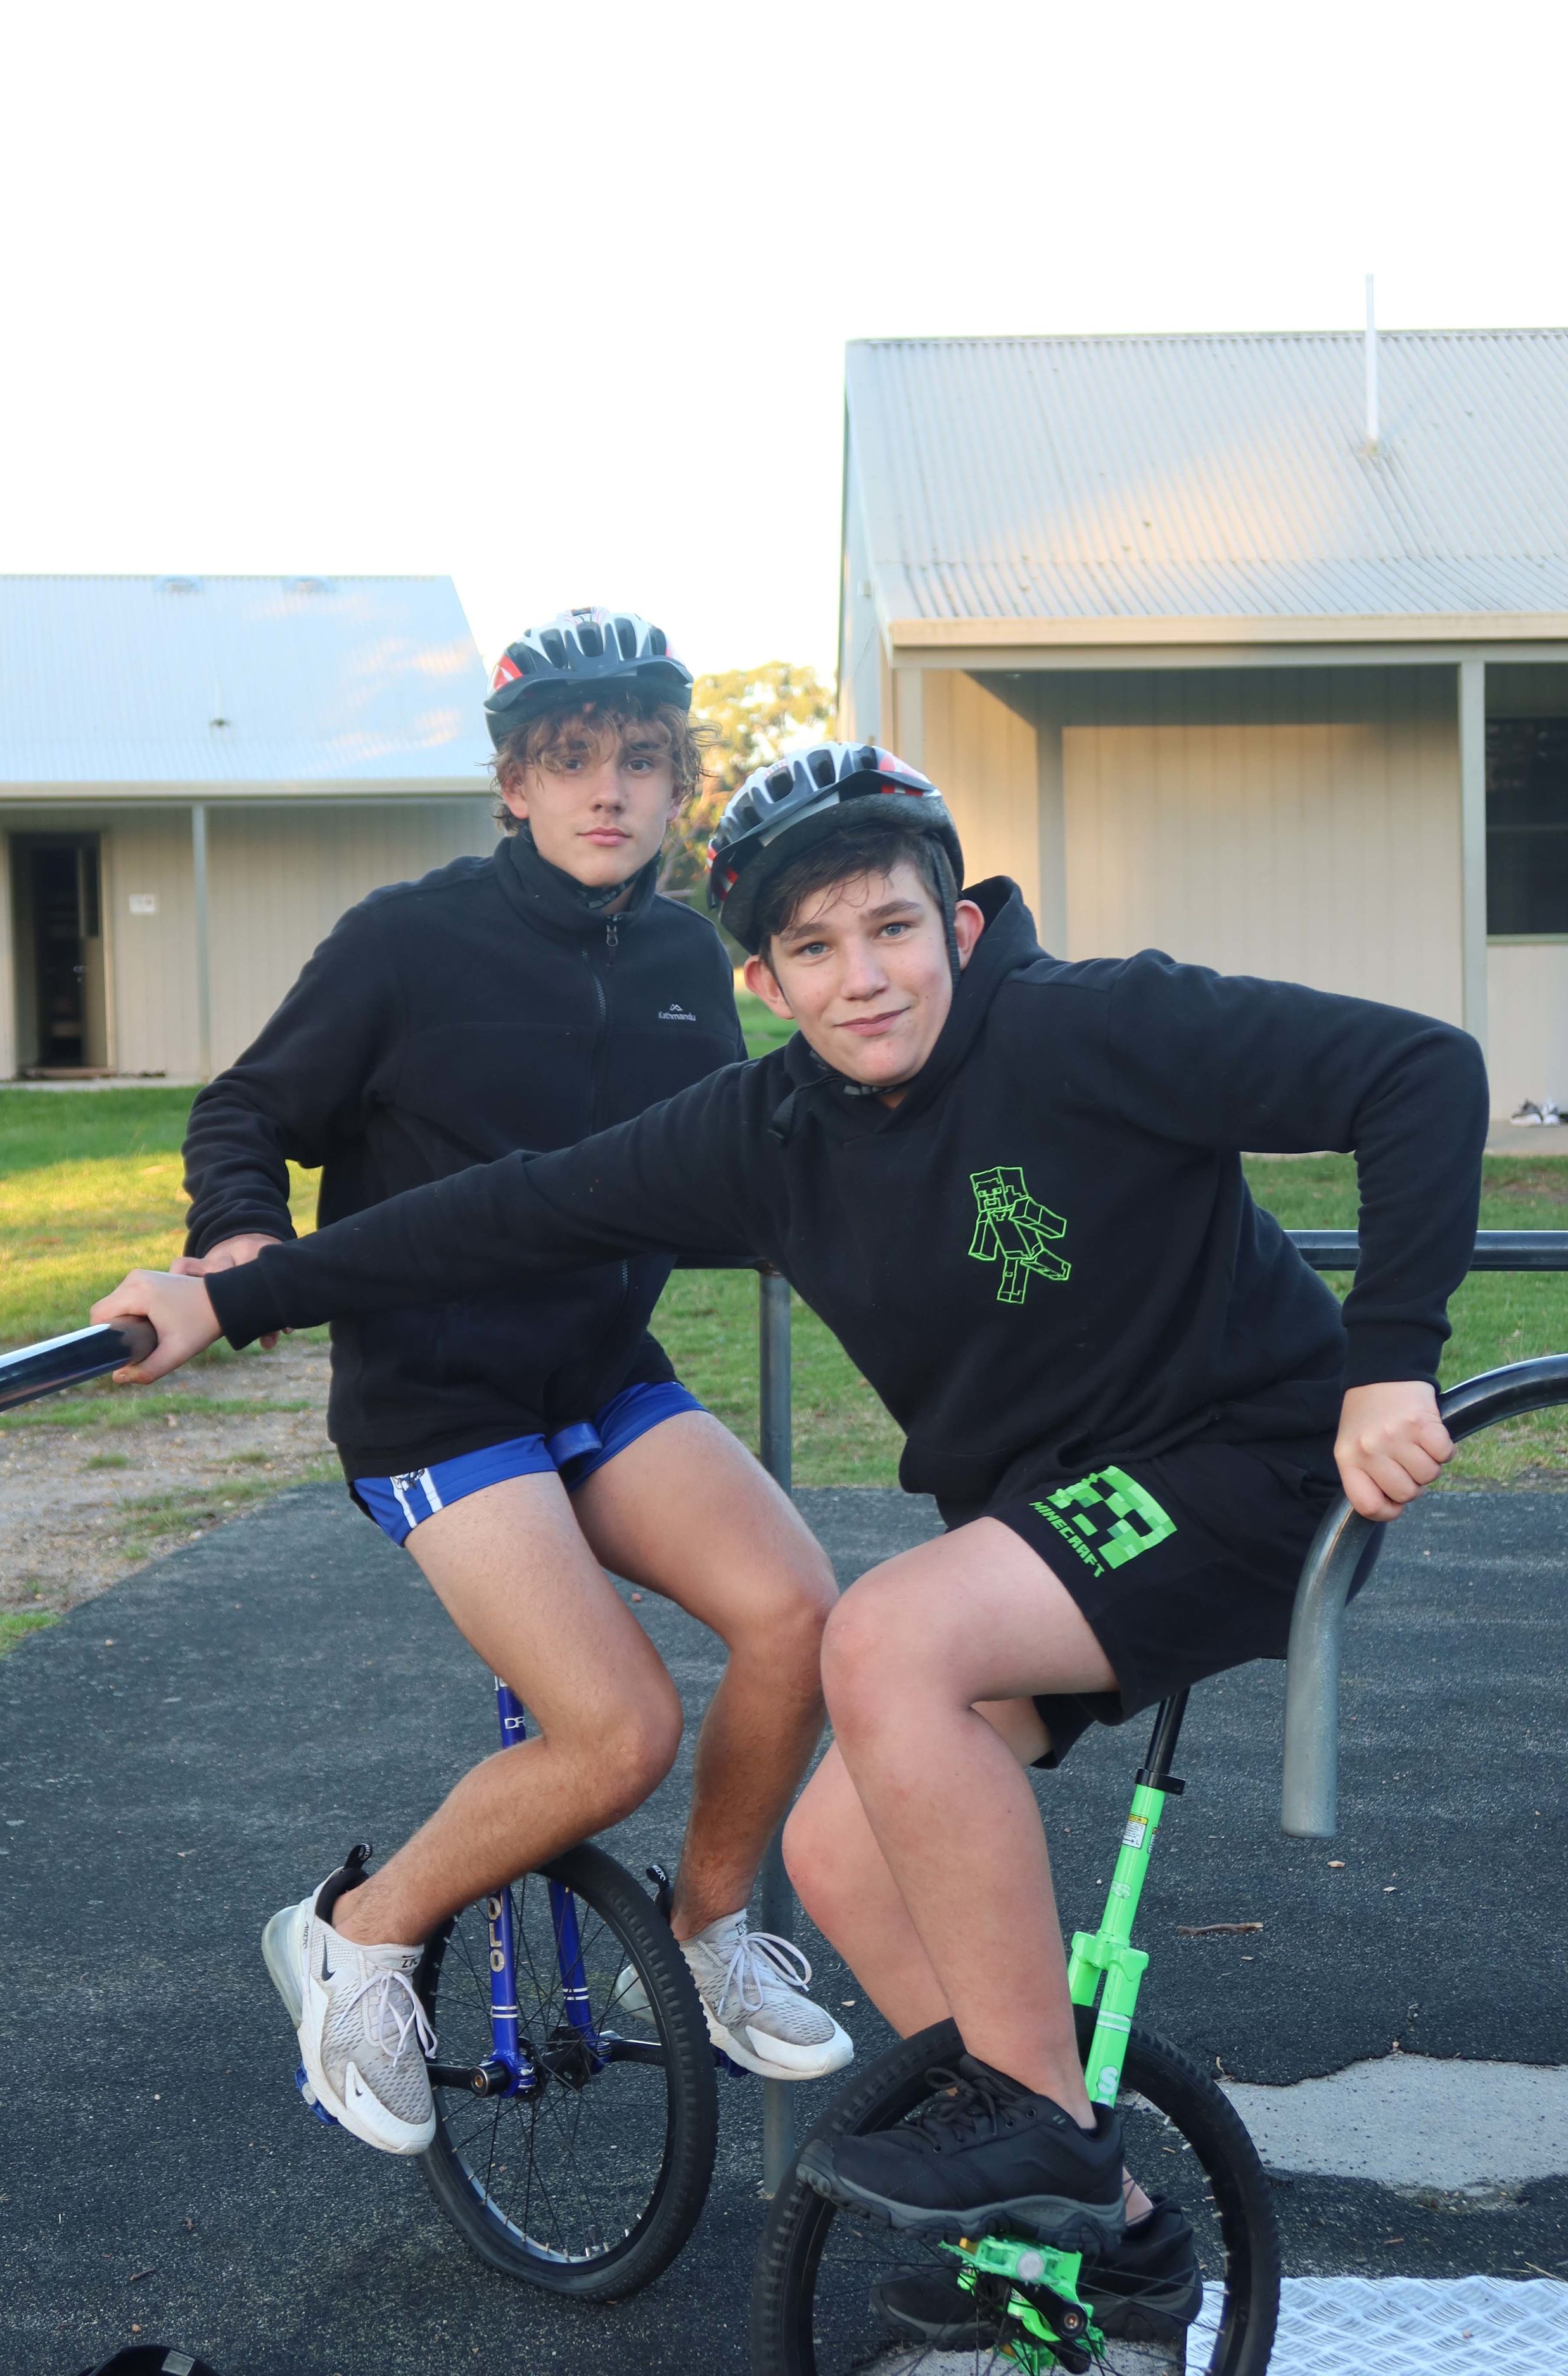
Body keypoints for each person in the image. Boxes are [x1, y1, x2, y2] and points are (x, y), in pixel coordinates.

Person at [99, 739, 1484, 2340]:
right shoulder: (766, 1133)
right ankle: (1097, 2235)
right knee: (834, 1852)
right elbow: (503, 1211)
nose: (862, 978)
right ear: (763, 981)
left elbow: (1419, 1071)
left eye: (890, 928)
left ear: (957, 926)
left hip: (1240, 1474)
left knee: (880, 1636)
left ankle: (1037, 2125)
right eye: (814, 949)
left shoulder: (1093, 1025)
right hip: (1060, 1530)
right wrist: (228, 1295)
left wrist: (1389, 1356)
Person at [170, 611, 849, 2161]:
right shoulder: (406, 939)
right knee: (616, 1736)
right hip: (440, 1399)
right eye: (571, 760)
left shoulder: (680, 959)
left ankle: (705, 1932)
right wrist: (241, 1238)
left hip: (602, 1377)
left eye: (638, 761)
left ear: (673, 784)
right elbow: (247, 1107)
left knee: (800, 1616)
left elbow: (728, 1154)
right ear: (513, 786)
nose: (607, 790)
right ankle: (355, 1934)